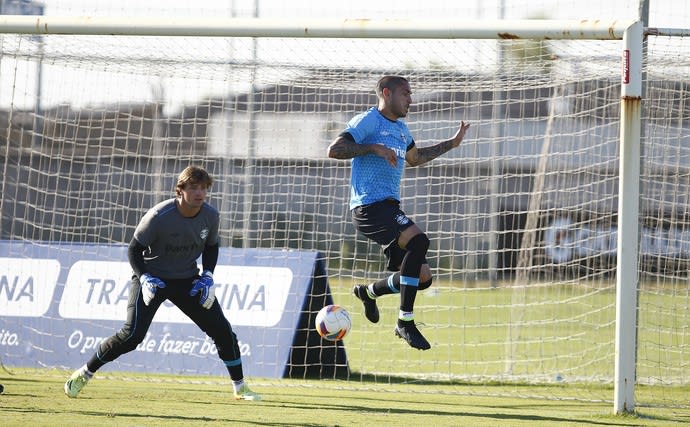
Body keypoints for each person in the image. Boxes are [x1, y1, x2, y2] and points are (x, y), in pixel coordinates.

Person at [64, 166, 260, 401]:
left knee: (223, 332)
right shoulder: (159, 216)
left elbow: (211, 246)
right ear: (180, 190)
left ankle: (240, 388)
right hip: (153, 279)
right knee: (132, 336)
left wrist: (208, 275)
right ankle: (84, 374)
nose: (199, 193)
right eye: (193, 187)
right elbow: (134, 249)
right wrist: (145, 278)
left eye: (204, 188)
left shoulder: (211, 215)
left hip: (187, 280)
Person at [327, 75, 470, 351]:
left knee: (423, 278)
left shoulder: (402, 130)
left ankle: (368, 292)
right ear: (386, 93)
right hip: (368, 206)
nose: (410, 99)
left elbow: (415, 158)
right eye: (405, 93)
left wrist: (451, 144)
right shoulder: (368, 121)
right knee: (419, 241)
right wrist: (372, 147)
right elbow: (334, 150)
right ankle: (405, 321)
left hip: (389, 208)